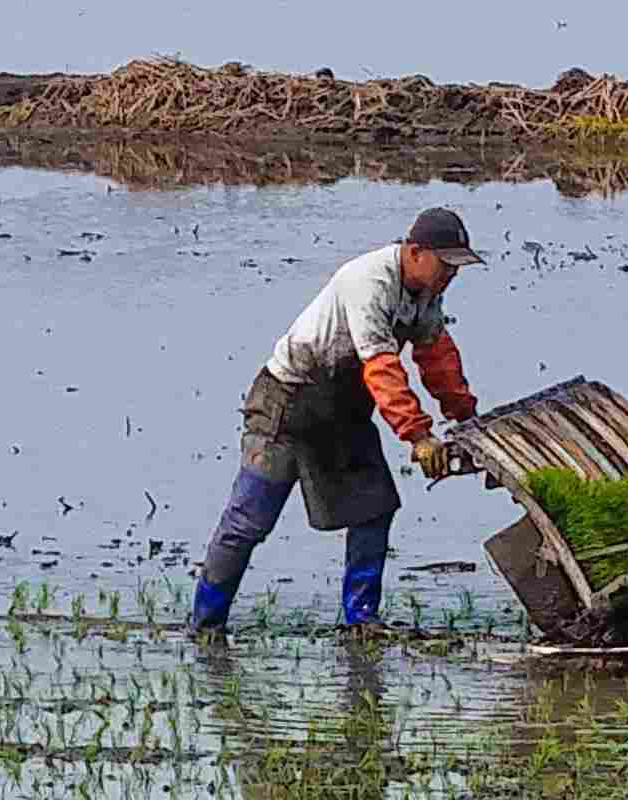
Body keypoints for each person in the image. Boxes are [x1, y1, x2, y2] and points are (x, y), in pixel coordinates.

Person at [190, 207, 484, 633]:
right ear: (416, 252)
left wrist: (464, 416)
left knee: (375, 508)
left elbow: (435, 355)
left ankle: (362, 621)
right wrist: (418, 436)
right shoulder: (370, 281)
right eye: (447, 264)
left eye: (457, 267)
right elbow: (381, 367)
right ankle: (205, 624)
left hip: (342, 409)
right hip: (287, 403)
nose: (451, 275)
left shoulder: (426, 292)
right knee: (248, 522)